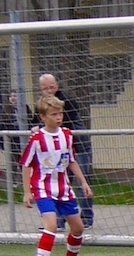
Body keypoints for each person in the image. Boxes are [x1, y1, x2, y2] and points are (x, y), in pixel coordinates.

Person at [21, 95, 94, 256]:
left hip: (63, 189)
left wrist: (83, 182)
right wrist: (27, 192)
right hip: (42, 188)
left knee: (78, 228)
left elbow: (71, 161)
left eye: (60, 113)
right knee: (51, 226)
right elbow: (26, 165)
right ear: (43, 117)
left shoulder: (67, 135)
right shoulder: (37, 139)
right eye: (54, 114)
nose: (58, 117)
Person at [37, 73, 94, 230]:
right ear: (41, 88)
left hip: (78, 146)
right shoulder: (41, 104)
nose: (49, 90)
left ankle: (86, 217)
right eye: (46, 88)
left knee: (82, 181)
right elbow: (37, 122)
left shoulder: (66, 100)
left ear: (57, 85)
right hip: (57, 150)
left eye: (52, 87)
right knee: (57, 183)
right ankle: (57, 220)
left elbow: (64, 123)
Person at [0, 91, 24, 188]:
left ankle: (25, 180)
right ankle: (13, 182)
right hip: (12, 140)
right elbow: (2, 126)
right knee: (12, 161)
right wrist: (1, 143)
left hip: (22, 139)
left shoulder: (24, 108)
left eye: (15, 96)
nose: (13, 98)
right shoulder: (6, 110)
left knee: (24, 161)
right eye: (11, 96)